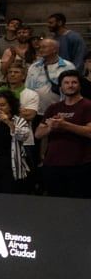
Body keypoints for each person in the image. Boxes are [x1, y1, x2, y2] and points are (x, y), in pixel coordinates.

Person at [37, 70, 91, 199]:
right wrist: (50, 127)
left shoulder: (87, 106)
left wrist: (65, 125)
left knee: (78, 205)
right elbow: (38, 134)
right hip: (53, 165)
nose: (70, 85)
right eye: (66, 83)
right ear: (61, 87)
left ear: (80, 85)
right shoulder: (54, 108)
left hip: (80, 165)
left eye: (74, 82)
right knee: (55, 204)